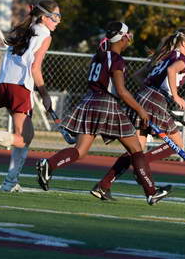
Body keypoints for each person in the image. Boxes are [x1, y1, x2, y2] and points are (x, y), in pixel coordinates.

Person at [36, 21, 172, 205]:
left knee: (80, 150)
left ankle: (49, 165)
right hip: (106, 104)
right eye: (128, 35)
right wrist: (141, 111)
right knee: (136, 149)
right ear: (123, 37)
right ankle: (151, 191)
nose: (130, 38)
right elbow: (122, 91)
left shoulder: (98, 55)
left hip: (89, 102)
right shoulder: (116, 59)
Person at [91, 28, 185, 201]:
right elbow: (171, 71)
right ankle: (141, 167)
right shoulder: (184, 60)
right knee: (175, 144)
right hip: (154, 100)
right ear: (184, 43)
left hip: (144, 96)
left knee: (135, 150)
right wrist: (175, 95)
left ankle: (103, 186)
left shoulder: (165, 55)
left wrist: (153, 91)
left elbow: (138, 76)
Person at [0, 0, 61, 193]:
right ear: (44, 17)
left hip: (4, 83)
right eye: (56, 16)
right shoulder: (45, 34)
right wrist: (44, 93)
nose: (58, 21)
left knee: (27, 135)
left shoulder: (24, 29)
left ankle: (11, 182)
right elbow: (35, 68)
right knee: (22, 138)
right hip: (19, 86)